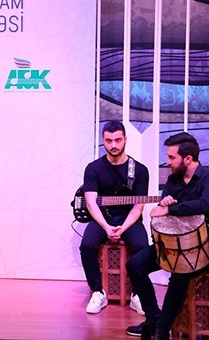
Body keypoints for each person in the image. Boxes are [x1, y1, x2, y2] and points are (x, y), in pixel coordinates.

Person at [125, 132, 209, 340]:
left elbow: (204, 205)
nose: (168, 162)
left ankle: (163, 327)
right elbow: (163, 212)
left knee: (180, 273)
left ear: (188, 159)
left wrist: (171, 208)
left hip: (208, 243)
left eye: (172, 157)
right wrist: (165, 203)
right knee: (135, 265)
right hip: (173, 243)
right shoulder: (173, 180)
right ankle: (154, 318)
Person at [80, 121, 150, 315]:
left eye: (118, 140)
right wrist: (106, 227)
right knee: (86, 246)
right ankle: (97, 291)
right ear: (103, 141)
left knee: (143, 247)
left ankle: (138, 294)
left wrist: (122, 228)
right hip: (101, 219)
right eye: (109, 141)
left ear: (125, 139)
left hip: (129, 219)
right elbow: (91, 203)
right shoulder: (93, 168)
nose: (114, 145)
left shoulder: (139, 170)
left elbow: (138, 206)